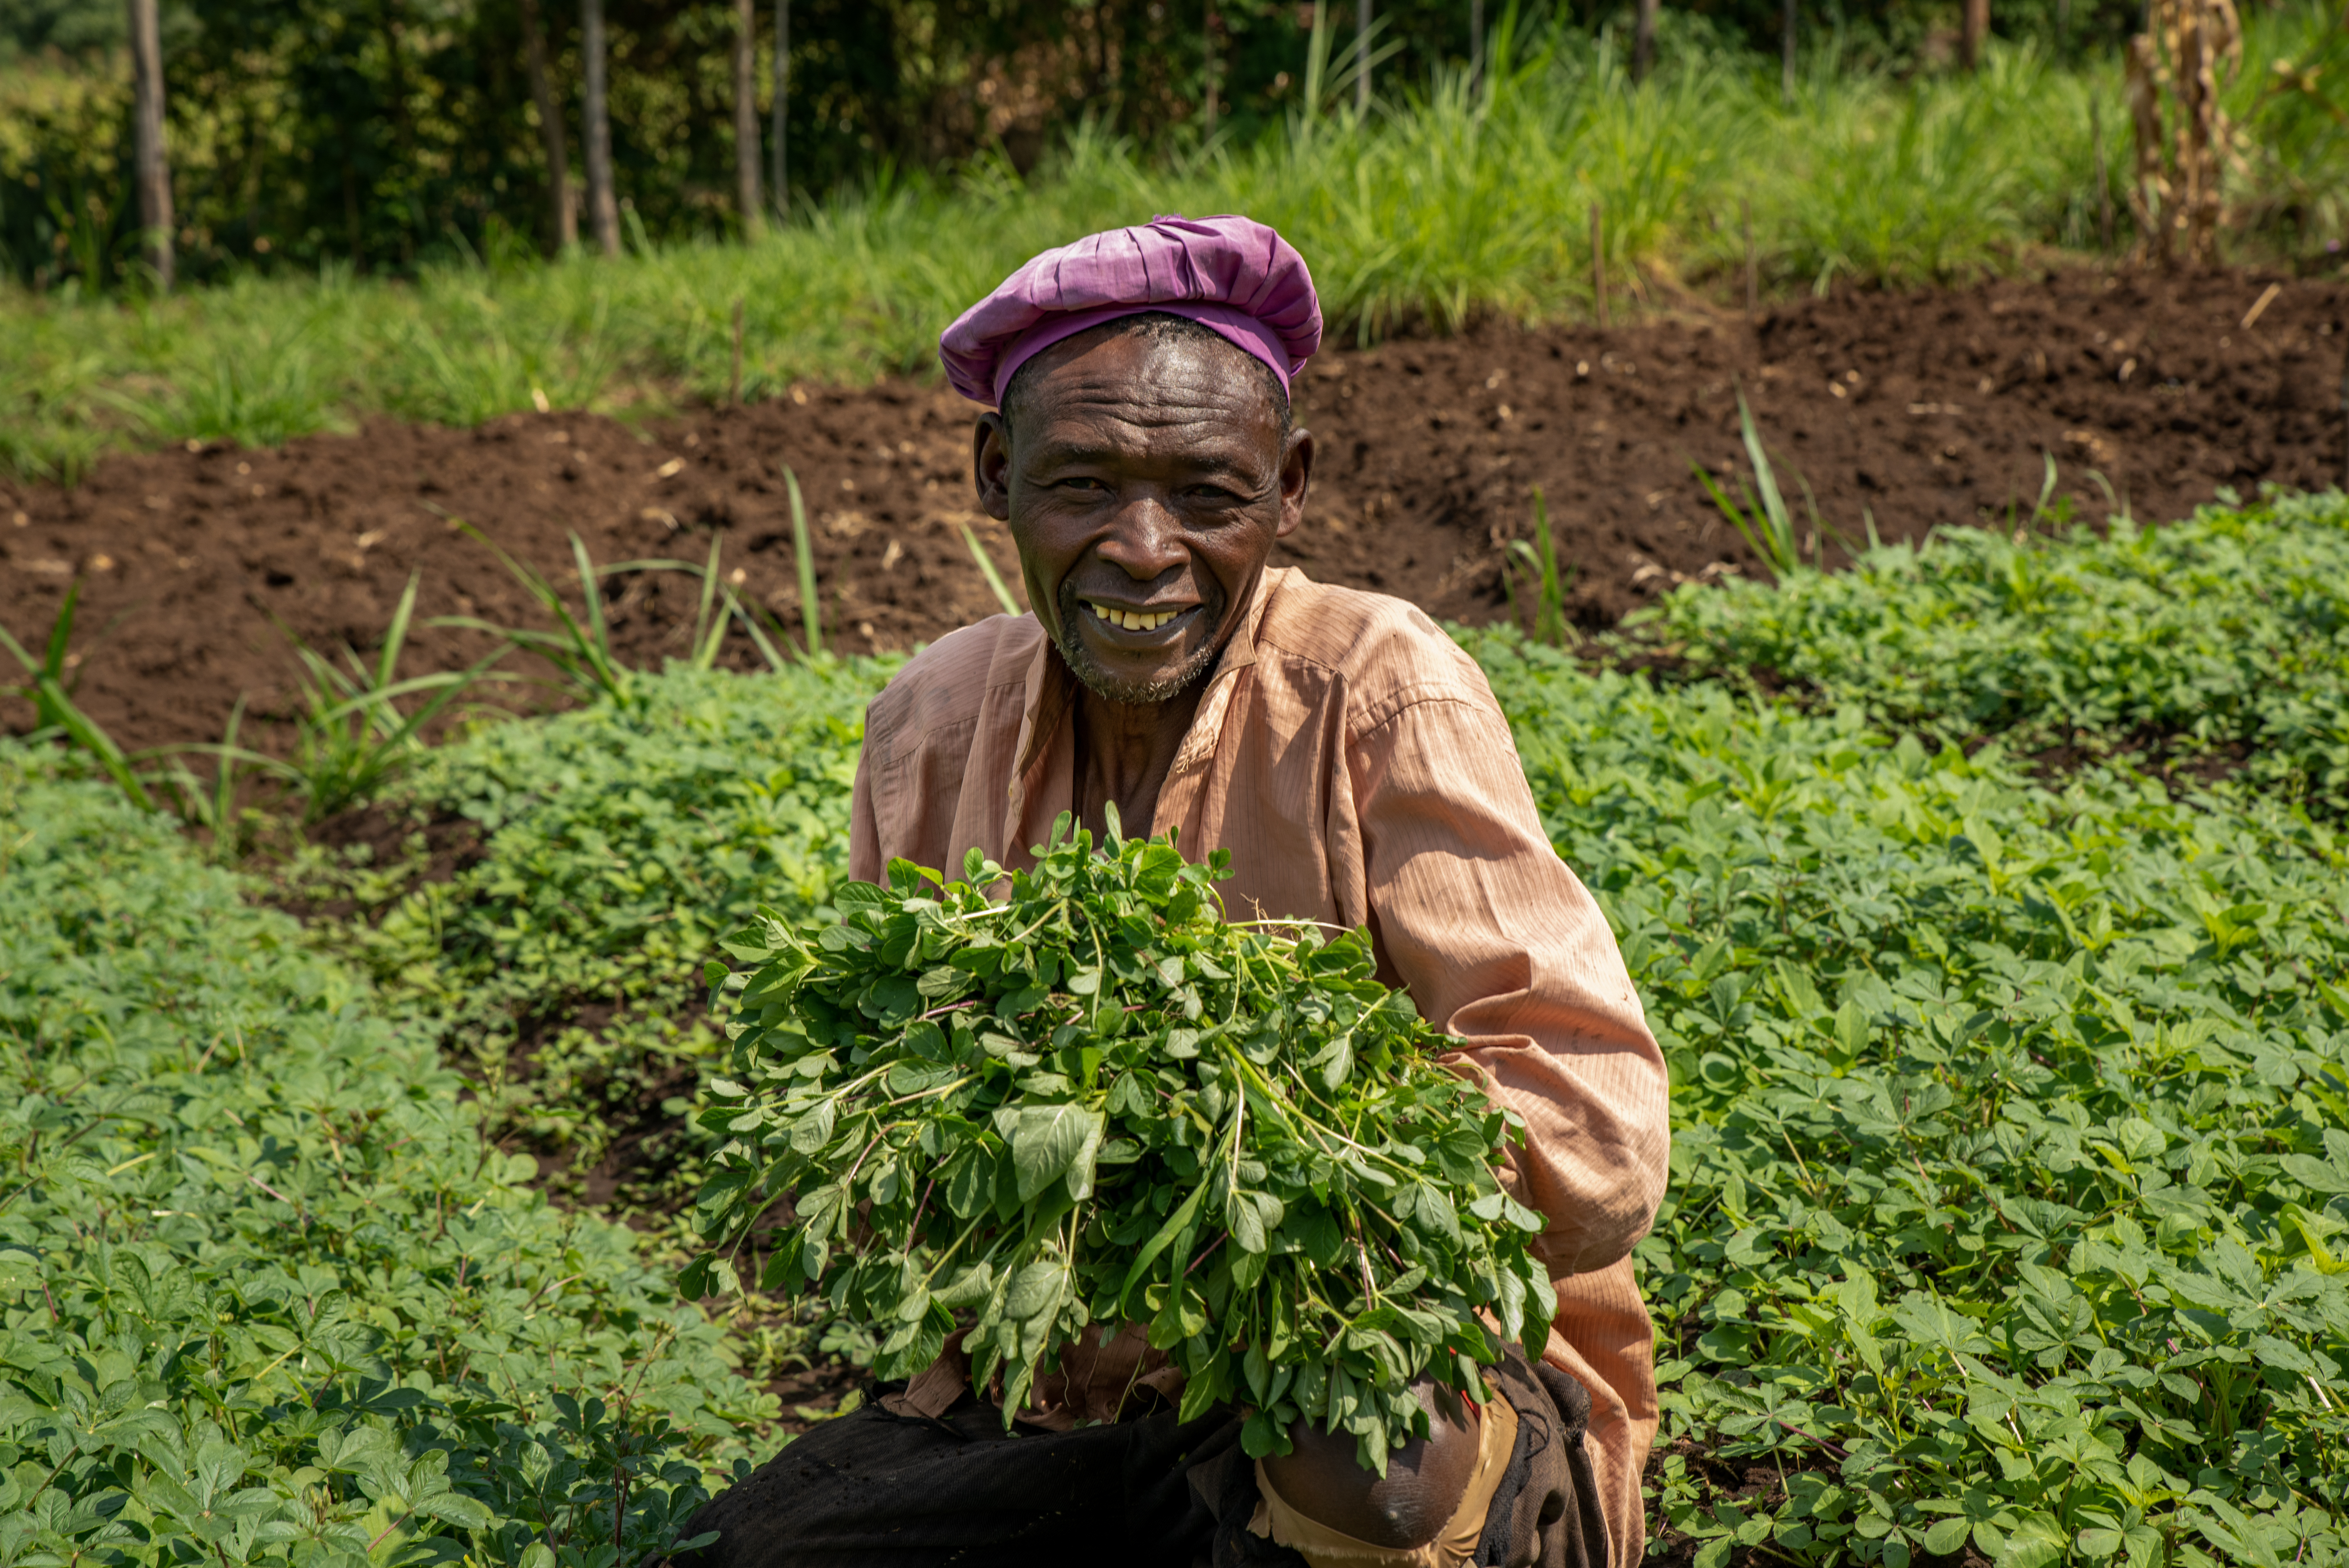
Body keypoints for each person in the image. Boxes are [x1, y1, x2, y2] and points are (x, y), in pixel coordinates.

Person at [679, 216, 1669, 1568]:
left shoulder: (1378, 687)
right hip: (1053, 1382)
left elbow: (1589, 1121)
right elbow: (876, 1080)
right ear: (994, 475)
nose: (1145, 550)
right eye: (1081, 486)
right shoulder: (936, 719)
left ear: (1291, 487)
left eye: (1208, 495)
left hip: (1380, 1339)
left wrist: (1249, 1175)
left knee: (1373, 1479)